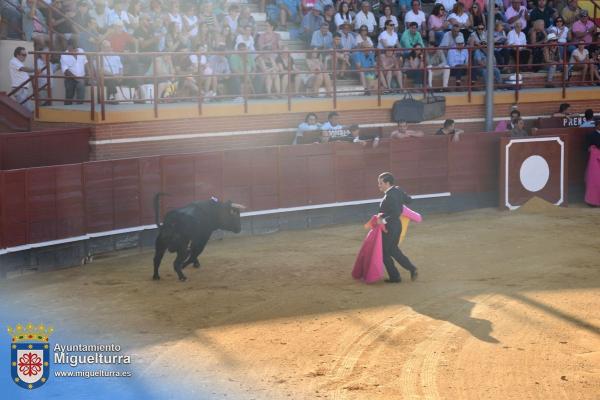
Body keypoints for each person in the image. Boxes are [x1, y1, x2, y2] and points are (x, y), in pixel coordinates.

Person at [376, 172, 418, 283]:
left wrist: (383, 220)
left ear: (387, 183)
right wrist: (401, 193)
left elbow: (395, 212)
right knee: (393, 250)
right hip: (397, 226)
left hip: (389, 227)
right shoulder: (397, 191)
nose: (379, 185)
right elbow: (409, 200)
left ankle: (395, 277)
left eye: (381, 183)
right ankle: (411, 268)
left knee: (384, 252)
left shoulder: (390, 195)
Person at [60, 39, 89, 105]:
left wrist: (89, 75)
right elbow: (65, 71)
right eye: (69, 48)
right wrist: (77, 79)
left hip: (81, 77)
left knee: (81, 96)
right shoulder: (64, 55)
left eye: (73, 49)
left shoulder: (81, 51)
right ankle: (67, 111)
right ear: (68, 47)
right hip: (70, 79)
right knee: (69, 97)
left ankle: (79, 110)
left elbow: (86, 62)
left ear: (76, 48)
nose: (71, 51)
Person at [584, 120, 600, 206]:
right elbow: (587, 147)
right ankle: (593, 202)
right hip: (594, 161)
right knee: (594, 180)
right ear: (597, 126)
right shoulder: (591, 135)